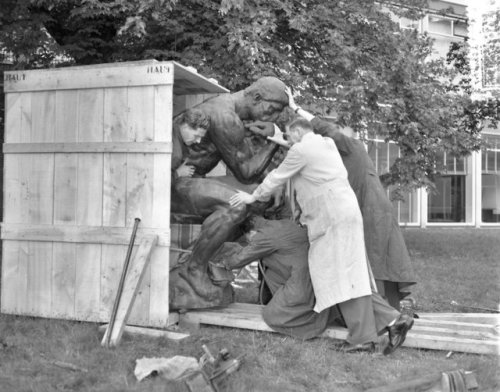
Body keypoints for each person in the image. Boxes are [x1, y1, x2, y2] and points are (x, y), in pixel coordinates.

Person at [230, 112, 413, 353]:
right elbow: (298, 147)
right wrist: (277, 135)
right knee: (349, 276)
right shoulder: (326, 145)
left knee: (336, 278)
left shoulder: (301, 150)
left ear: (296, 133)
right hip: (346, 215)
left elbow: (277, 176)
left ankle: (363, 338)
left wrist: (252, 196)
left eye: (289, 136)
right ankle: (391, 320)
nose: (289, 142)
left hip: (331, 219)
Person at [249, 96, 416, 310]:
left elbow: (321, 131)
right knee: (367, 261)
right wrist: (275, 135)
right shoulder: (332, 151)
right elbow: (304, 146)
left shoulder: (350, 145)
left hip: (370, 209)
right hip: (361, 208)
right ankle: (382, 310)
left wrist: (295, 107)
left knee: (372, 260)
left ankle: (382, 310)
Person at [169, 77, 290, 310]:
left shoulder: (228, 112)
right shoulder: (225, 117)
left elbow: (249, 169)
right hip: (173, 186)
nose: (272, 116)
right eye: (272, 109)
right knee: (237, 204)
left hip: (189, 182)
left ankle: (215, 263)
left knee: (255, 199)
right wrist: (275, 141)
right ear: (256, 97)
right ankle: (193, 270)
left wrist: (269, 186)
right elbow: (246, 172)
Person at [213, 216, 332, 340]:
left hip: (302, 279)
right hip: (316, 273)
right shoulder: (283, 223)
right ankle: (295, 306)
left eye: (248, 239)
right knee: (271, 274)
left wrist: (224, 263)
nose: (250, 242)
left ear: (252, 232)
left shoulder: (264, 236)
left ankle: (310, 323)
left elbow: (242, 257)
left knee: (271, 315)